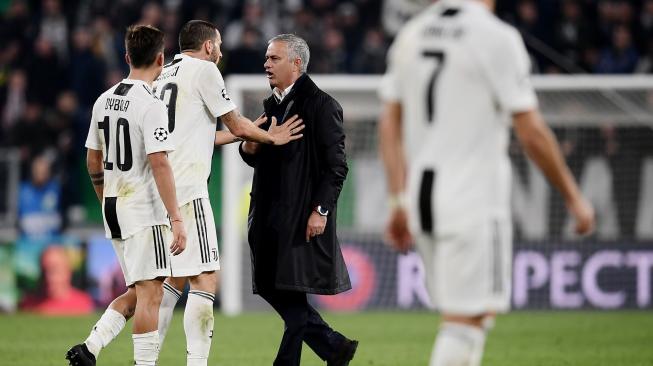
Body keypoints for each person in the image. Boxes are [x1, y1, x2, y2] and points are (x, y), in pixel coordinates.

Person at [66, 20, 303, 366]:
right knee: (205, 278)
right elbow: (233, 122)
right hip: (185, 191)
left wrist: (246, 132)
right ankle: (195, 363)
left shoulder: (158, 78)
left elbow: (189, 137)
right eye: (218, 45)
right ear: (208, 47)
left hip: (150, 193)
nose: (221, 52)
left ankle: (98, 346)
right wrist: (271, 137)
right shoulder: (206, 71)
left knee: (159, 284)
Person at [378, 1, 596, 366]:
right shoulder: (495, 37)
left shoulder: (411, 34)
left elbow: (389, 124)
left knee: (474, 318)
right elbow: (531, 132)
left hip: (422, 199)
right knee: (464, 322)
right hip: (472, 199)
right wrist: (574, 197)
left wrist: (397, 201)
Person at [66, 24, 187, 366]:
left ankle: (90, 348)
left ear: (127, 57)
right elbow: (159, 163)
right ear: (161, 59)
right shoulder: (151, 104)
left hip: (115, 207)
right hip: (143, 210)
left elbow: (92, 157)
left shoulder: (104, 99)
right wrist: (176, 217)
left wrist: (105, 196)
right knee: (152, 293)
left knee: (138, 291)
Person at [239, 33, 357, 366]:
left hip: (298, 218)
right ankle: (334, 348)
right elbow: (257, 157)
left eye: (273, 58)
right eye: (266, 58)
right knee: (273, 288)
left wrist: (320, 210)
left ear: (296, 63)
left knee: (290, 300)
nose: (266, 64)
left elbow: (337, 167)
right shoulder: (271, 105)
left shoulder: (322, 105)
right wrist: (249, 145)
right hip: (266, 216)